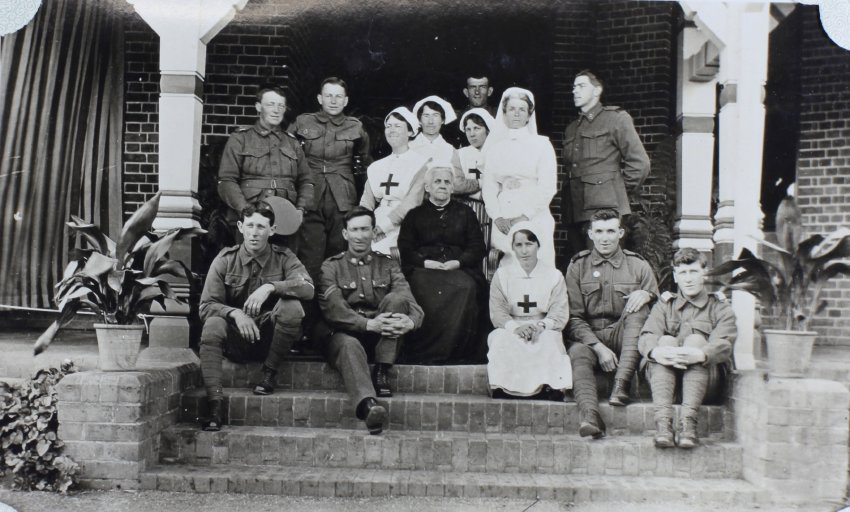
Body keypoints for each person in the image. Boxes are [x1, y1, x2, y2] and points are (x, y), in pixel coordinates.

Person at [198, 203, 313, 431]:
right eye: (249, 225)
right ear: (240, 227)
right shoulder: (225, 260)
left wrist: (271, 287)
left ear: (272, 230)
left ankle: (268, 375)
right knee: (212, 324)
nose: (254, 232)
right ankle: (214, 403)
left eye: (261, 226)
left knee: (292, 306)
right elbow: (206, 306)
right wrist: (235, 313)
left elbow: (307, 288)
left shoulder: (284, 258)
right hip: (236, 340)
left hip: (271, 340)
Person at [315, 207, 424, 435]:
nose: (360, 235)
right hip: (345, 335)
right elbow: (335, 311)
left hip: (381, 338)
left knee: (395, 299)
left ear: (374, 232)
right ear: (345, 234)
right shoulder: (331, 267)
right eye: (354, 229)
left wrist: (411, 322)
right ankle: (368, 406)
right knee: (349, 344)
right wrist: (368, 324)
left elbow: (410, 303)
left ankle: (382, 370)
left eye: (365, 229)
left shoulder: (388, 264)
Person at [565, 208, 658, 438]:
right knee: (577, 352)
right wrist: (598, 347)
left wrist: (647, 294)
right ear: (590, 234)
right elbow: (573, 317)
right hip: (591, 338)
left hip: (625, 335)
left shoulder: (638, 265)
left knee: (638, 308)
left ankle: (621, 384)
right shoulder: (578, 266)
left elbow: (657, 313)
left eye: (610, 231)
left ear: (620, 233)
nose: (605, 237)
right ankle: (590, 416)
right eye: (599, 231)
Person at [638, 248, 737, 449]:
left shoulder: (719, 306)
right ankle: (664, 425)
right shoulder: (665, 305)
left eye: (693, 272)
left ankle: (688, 424)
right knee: (664, 342)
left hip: (705, 385)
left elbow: (724, 343)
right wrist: (658, 353)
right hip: (666, 384)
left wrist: (699, 354)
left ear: (704, 273)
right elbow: (647, 336)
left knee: (696, 341)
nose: (688, 279)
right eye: (683, 273)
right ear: (675, 276)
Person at [397, 165, 487, 364]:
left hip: (458, 269)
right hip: (423, 269)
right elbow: (405, 247)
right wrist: (425, 262)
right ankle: (424, 350)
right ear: (427, 187)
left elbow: (477, 246)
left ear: (453, 188)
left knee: (466, 287)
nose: (442, 185)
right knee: (418, 287)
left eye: (447, 182)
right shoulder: (414, 215)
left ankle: (456, 352)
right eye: (437, 181)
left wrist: (458, 262)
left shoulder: (466, 213)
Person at [560, 70, 650, 258]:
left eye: (581, 86)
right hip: (575, 210)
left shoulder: (615, 118)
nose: (575, 91)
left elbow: (640, 163)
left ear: (597, 90)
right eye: (574, 87)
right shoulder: (572, 129)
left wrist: (615, 191)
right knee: (581, 267)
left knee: (604, 267)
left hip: (605, 212)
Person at [290, 77, 372, 284]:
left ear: (346, 101)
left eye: (338, 96)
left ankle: (335, 303)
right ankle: (311, 308)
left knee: (340, 250)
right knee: (311, 252)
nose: (333, 101)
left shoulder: (356, 126)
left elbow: (364, 161)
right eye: (328, 96)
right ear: (320, 98)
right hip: (311, 193)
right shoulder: (303, 122)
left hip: (342, 195)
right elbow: (287, 151)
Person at [217, 84, 313, 245]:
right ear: (258, 107)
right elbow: (226, 181)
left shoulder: (292, 143)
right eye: (270, 104)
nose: (276, 110)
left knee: (284, 265)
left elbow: (307, 181)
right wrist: (245, 210)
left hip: (285, 220)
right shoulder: (240, 138)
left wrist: (300, 210)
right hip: (250, 219)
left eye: (280, 105)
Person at [487, 224, 571, 399]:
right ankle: (504, 388)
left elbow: (559, 310)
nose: (524, 250)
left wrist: (540, 326)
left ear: (539, 245)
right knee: (501, 338)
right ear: (513, 248)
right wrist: (515, 327)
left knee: (548, 340)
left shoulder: (554, 275)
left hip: (542, 326)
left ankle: (547, 387)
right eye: (519, 245)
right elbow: (497, 310)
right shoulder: (503, 275)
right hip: (512, 325)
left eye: (529, 244)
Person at [481, 87, 557, 268]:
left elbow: (548, 187)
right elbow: (489, 187)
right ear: (504, 113)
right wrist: (497, 217)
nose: (516, 114)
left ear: (529, 114)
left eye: (522, 109)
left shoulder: (542, 145)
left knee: (537, 262)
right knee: (508, 265)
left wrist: (525, 216)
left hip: (534, 213)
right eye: (512, 109)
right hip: (504, 215)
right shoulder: (495, 149)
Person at [359, 107, 430, 256]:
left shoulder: (421, 164)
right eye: (388, 126)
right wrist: (364, 226)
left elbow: (411, 204)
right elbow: (366, 202)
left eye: (398, 126)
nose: (392, 130)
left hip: (406, 223)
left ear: (410, 132)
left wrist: (381, 227)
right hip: (377, 221)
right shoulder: (376, 166)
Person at [456, 108, 496, 240]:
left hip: (493, 212)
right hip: (464, 211)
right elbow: (456, 185)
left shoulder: (497, 153)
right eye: (468, 129)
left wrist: (470, 191)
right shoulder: (460, 154)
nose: (472, 134)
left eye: (477, 128)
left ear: (487, 129)